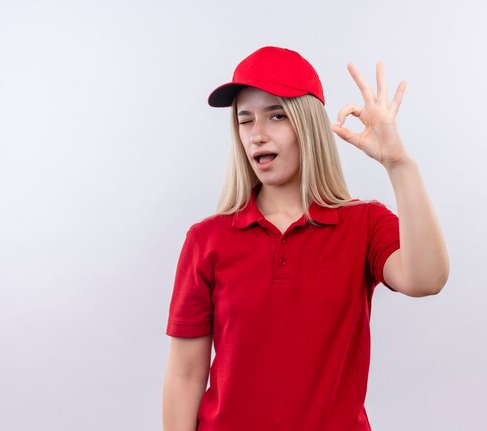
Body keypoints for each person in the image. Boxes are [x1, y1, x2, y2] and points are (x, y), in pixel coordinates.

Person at [162, 46, 449, 431]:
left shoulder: (362, 224)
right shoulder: (206, 240)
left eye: (276, 115)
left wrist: (399, 164)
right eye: (245, 121)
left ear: (308, 125)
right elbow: (185, 376)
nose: (257, 135)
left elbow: (427, 279)